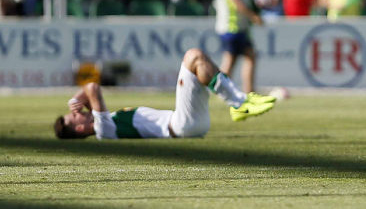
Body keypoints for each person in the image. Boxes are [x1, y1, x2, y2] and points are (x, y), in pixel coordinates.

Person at [54, 48, 277, 139]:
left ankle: (239, 100)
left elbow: (91, 92)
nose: (76, 111)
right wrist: (77, 98)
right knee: (193, 56)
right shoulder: (104, 130)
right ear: (80, 128)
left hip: (189, 125)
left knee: (199, 64)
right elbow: (92, 88)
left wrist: (80, 100)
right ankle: (238, 103)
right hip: (180, 125)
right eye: (73, 116)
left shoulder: (108, 123)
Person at [215, 0, 263, 94]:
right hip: (231, 28)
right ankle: (221, 91)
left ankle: (249, 91)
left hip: (240, 28)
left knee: (250, 56)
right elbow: (235, 2)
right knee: (230, 60)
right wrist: (253, 16)